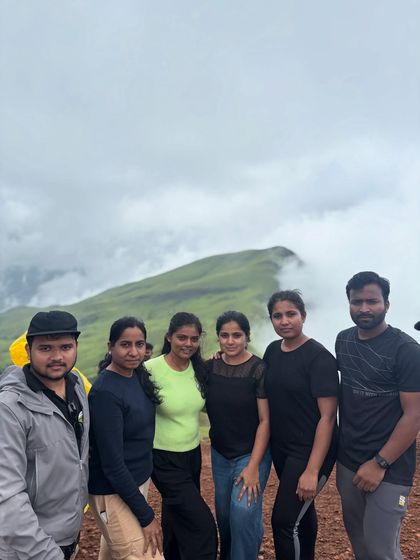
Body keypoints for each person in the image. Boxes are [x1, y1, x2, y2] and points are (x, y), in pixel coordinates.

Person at [335, 271, 420, 560]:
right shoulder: (343, 341)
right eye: (356, 302)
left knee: (381, 551)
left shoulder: (406, 350)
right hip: (348, 462)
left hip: (390, 468)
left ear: (386, 303)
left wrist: (380, 462)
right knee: (360, 546)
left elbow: (414, 415)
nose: (364, 308)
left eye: (372, 301)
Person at [0, 310, 88, 560]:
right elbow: (7, 496)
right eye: (46, 348)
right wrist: (46, 554)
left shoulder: (75, 385)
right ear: (28, 351)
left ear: (76, 346)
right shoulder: (9, 408)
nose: (57, 356)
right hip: (27, 549)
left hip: (67, 537)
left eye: (65, 347)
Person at [263, 290, 338, 560]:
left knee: (283, 522)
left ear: (303, 316)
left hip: (311, 451)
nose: (284, 321)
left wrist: (312, 470)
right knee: (301, 516)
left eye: (291, 314)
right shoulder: (272, 351)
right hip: (283, 449)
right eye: (277, 316)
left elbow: (328, 418)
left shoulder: (319, 358)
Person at [88, 316, 164, 560]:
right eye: (125, 345)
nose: (134, 352)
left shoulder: (137, 376)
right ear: (110, 347)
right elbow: (112, 464)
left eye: (139, 344)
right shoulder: (105, 393)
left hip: (135, 482)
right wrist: (147, 516)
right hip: (113, 490)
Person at [146, 312, 218, 560]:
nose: (188, 344)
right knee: (202, 526)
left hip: (192, 455)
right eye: (182, 338)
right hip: (162, 458)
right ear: (169, 337)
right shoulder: (149, 369)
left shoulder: (199, 369)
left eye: (194, 339)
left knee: (176, 519)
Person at [206, 310, 271, 560]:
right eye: (225, 335)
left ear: (247, 337)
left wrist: (254, 465)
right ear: (218, 338)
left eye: (237, 335)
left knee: (242, 511)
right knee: (224, 514)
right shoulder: (210, 367)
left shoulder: (259, 369)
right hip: (220, 453)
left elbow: (265, 421)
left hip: (251, 452)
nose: (230, 341)